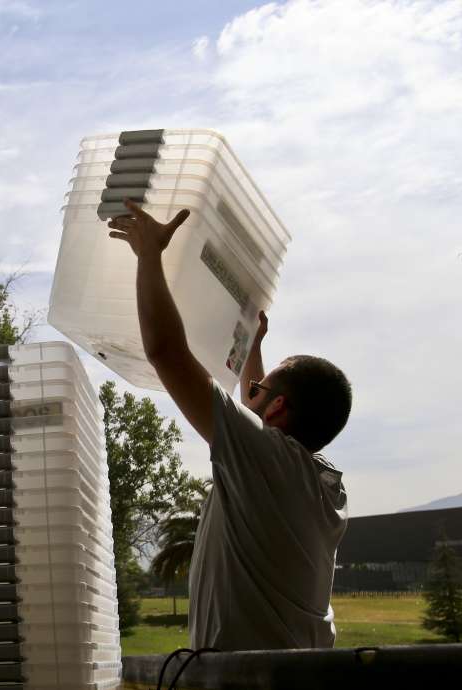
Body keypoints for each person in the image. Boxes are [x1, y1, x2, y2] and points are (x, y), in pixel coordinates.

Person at [108, 199, 352, 651]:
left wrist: (150, 255)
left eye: (259, 388)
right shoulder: (314, 482)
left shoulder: (270, 462)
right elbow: (255, 404)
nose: (249, 390)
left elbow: (165, 351)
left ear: (277, 408)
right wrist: (250, 340)